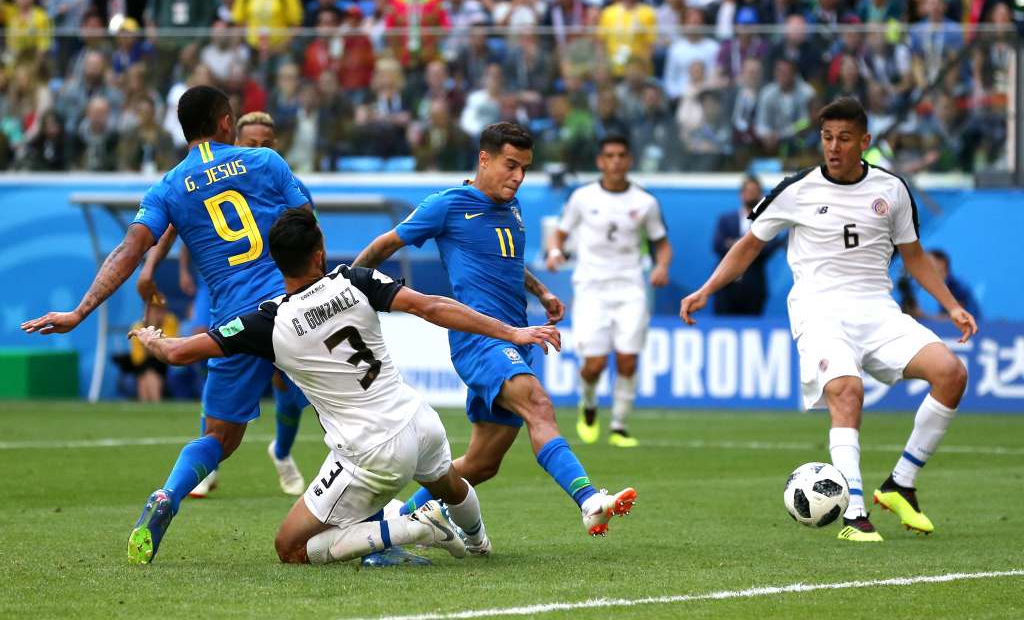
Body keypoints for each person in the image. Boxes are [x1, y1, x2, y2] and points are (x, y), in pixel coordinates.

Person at [127, 208, 562, 565]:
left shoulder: (266, 322)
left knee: (290, 547)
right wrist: (512, 333)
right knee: (450, 484)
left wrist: (152, 338)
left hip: (370, 452)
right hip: (419, 419)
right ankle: (479, 542)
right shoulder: (356, 280)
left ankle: (414, 527)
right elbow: (432, 306)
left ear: (275, 262)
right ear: (319, 252)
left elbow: (182, 352)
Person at [22, 85, 313, 564]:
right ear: (226, 123)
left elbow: (128, 250)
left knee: (217, 437)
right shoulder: (267, 164)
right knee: (349, 415)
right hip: (290, 306)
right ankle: (371, 524)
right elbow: (306, 225)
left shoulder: (170, 186)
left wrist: (79, 311)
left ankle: (167, 497)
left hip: (231, 324)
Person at [679, 97, 977, 543]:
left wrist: (951, 305)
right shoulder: (795, 189)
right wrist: (706, 289)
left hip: (878, 311)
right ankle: (854, 513)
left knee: (952, 374)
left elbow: (913, 256)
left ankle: (900, 484)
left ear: (865, 142)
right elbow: (748, 246)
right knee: (846, 390)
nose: (834, 147)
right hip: (819, 310)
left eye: (844, 138)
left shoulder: (892, 190)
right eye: (827, 138)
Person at [353, 122, 637, 536]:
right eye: (510, 165)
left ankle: (401, 519)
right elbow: (384, 246)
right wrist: (344, 288)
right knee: (539, 405)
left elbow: (506, 261)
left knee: (481, 464)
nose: (518, 177)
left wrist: (542, 292)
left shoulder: (512, 208)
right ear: (484, 159)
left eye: (524, 168)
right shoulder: (447, 205)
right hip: (480, 340)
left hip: (515, 338)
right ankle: (589, 499)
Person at [136, 110, 315, 501]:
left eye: (266, 144)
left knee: (283, 380)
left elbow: (308, 230)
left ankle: (281, 453)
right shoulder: (206, 181)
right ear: (233, 138)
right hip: (222, 290)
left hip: (277, 293)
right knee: (204, 343)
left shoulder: (277, 176)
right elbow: (169, 229)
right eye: (250, 143)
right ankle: (209, 461)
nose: (259, 149)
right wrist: (158, 267)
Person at [545, 135, 672, 447]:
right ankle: (588, 404)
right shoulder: (582, 198)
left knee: (628, 360)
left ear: (629, 161)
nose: (615, 161)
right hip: (591, 289)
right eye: (609, 155)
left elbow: (662, 243)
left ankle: (619, 425)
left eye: (621, 155)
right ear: (600, 162)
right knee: (594, 365)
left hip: (630, 288)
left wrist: (661, 267)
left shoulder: (645, 202)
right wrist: (554, 252)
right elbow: (559, 234)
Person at [711, 175, 784, 316]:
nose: (751, 195)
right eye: (748, 191)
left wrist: (734, 243)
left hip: (754, 287)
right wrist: (752, 245)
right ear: (741, 194)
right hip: (725, 286)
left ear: (761, 194)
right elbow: (718, 245)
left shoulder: (767, 221)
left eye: (754, 191)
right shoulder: (726, 219)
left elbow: (769, 247)